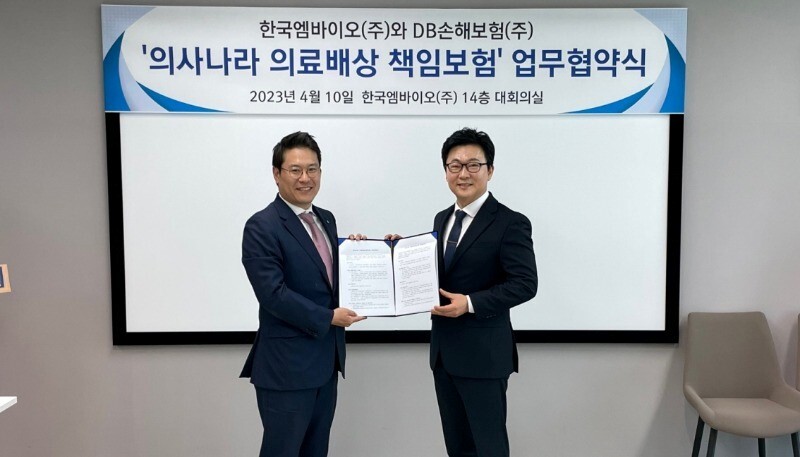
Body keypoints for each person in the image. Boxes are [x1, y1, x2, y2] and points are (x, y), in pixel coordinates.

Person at [240, 131, 365, 457]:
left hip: (326, 363)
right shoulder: (262, 226)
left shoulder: (326, 219)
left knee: (316, 451)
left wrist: (364, 255)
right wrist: (329, 317)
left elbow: (327, 280)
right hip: (286, 369)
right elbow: (273, 294)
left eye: (312, 169)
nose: (305, 178)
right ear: (276, 173)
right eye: (295, 170)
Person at [430, 127, 538, 457]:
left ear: (489, 170)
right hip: (444, 355)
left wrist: (470, 303)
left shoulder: (510, 222)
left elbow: (525, 283)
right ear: (446, 171)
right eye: (455, 165)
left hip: (484, 357)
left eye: (473, 165)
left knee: (488, 448)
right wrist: (396, 252)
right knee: (458, 448)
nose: (463, 173)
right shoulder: (441, 219)